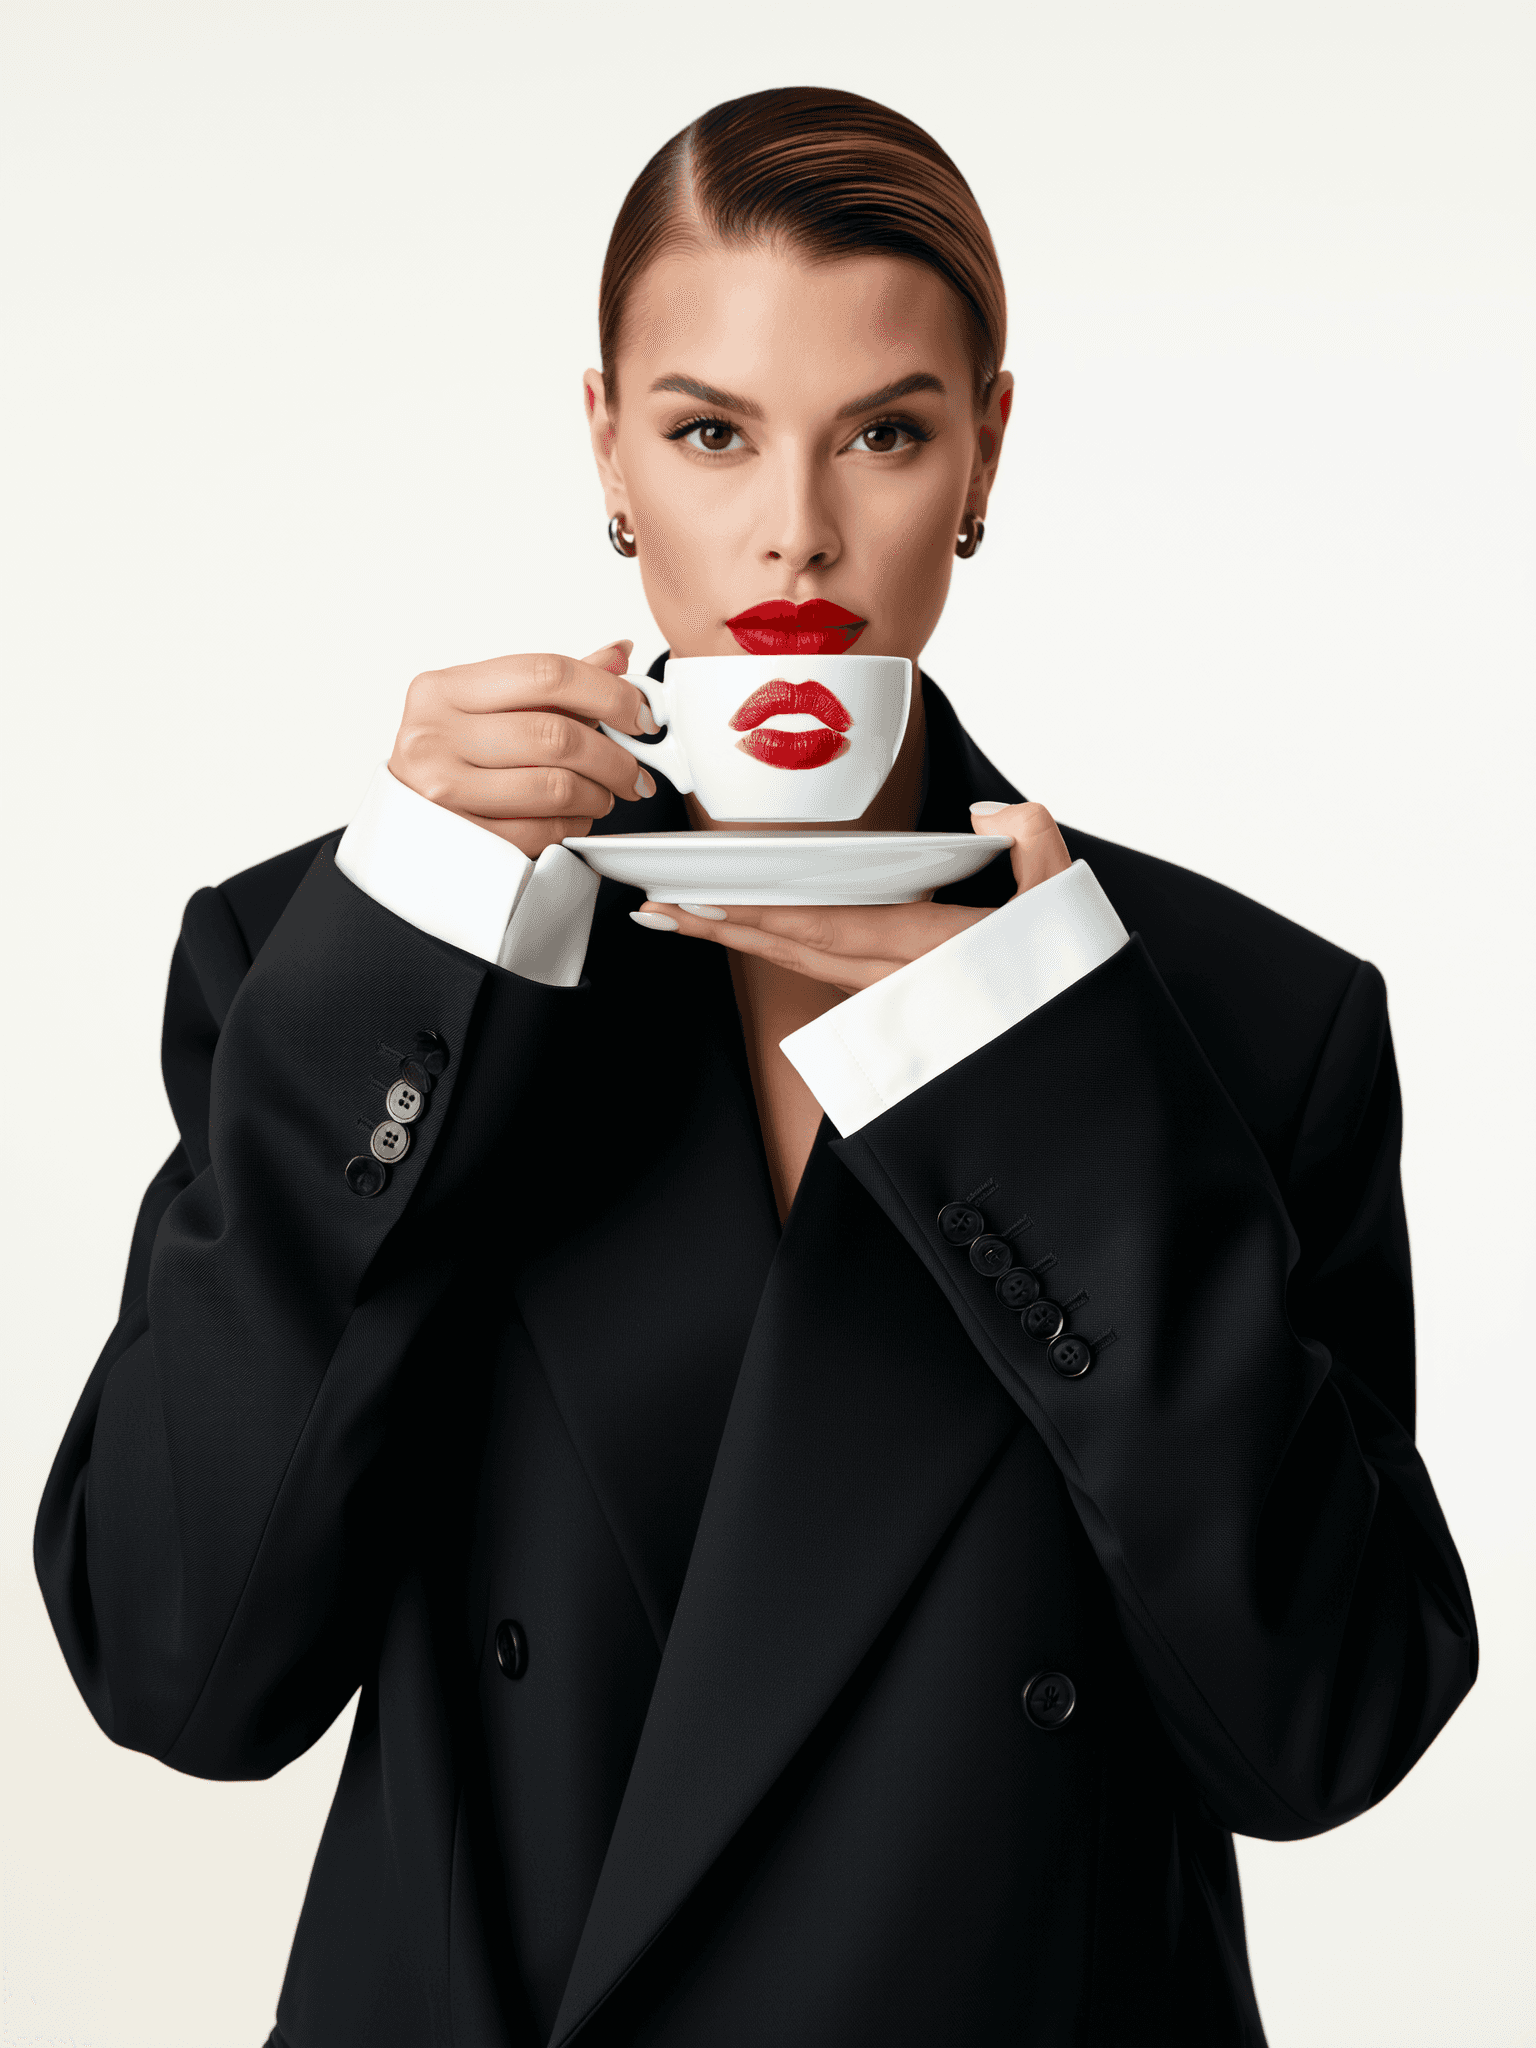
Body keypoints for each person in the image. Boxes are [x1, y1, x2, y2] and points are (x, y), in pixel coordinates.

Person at [35, 85, 1476, 2047]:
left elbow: (1318, 1731)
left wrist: (1037, 1081)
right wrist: (408, 941)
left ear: (984, 457)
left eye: (884, 432)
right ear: (609, 453)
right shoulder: (355, 957)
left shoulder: (1233, 1015)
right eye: (712, 431)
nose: (795, 529)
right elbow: (183, 1676)